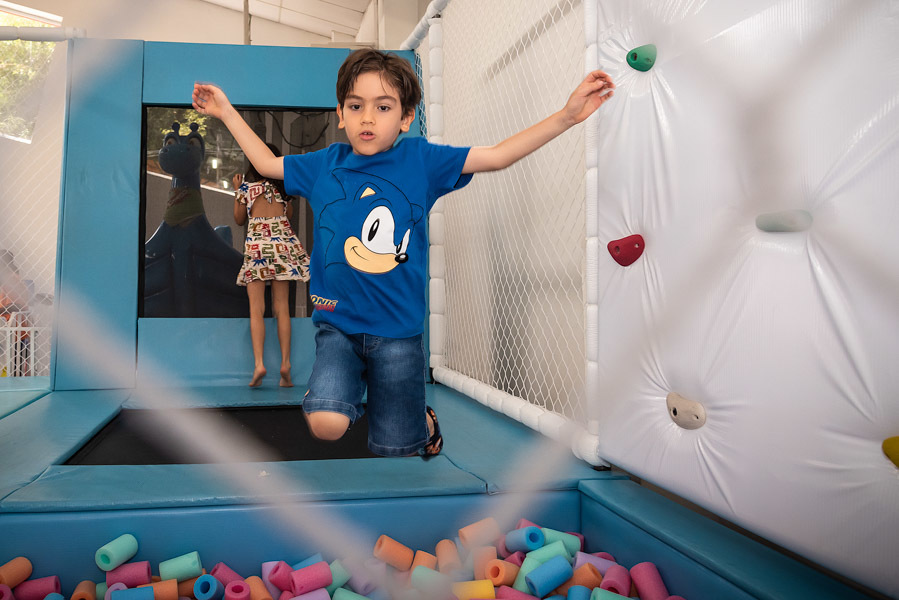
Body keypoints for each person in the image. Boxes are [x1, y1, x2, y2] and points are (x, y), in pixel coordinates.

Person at [193, 48, 614, 456]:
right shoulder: (326, 163)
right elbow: (267, 166)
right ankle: (338, 390)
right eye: (355, 107)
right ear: (340, 115)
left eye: (383, 107)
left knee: (400, 446)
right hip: (337, 327)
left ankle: (422, 420)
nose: (368, 118)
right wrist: (227, 111)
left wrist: (566, 116)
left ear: (406, 118)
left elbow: (498, 157)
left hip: (397, 335)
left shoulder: (421, 160)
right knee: (325, 424)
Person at [232, 143, 310, 387]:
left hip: (257, 249)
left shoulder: (246, 189)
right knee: (282, 308)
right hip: (282, 249)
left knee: (256, 309)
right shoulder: (284, 190)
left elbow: (238, 219)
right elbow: (287, 216)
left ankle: (259, 364)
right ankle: (285, 364)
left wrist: (238, 191)